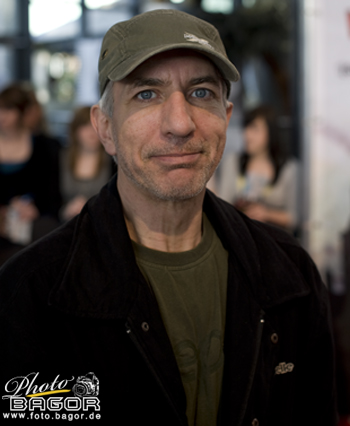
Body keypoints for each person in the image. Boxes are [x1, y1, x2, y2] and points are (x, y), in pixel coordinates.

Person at [0, 9, 337, 426]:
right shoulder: (30, 295)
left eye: (200, 93)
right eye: (147, 94)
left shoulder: (291, 276)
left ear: (226, 119)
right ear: (105, 127)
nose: (180, 124)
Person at [211, 105, 299, 232]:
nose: (247, 134)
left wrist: (267, 214)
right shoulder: (233, 162)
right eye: (246, 127)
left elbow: (294, 218)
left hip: (275, 242)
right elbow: (223, 204)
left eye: (255, 129)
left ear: (271, 131)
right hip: (240, 236)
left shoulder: (289, 168)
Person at [0, 83, 61, 265]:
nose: (2, 116)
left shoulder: (45, 145)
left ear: (22, 112)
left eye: (8, 109)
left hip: (32, 219)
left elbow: (52, 192)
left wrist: (34, 208)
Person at [59, 106, 114, 221]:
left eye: (95, 126)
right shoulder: (61, 158)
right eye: (85, 126)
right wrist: (66, 210)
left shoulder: (113, 161)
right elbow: (50, 201)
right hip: (65, 224)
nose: (91, 132)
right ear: (75, 130)